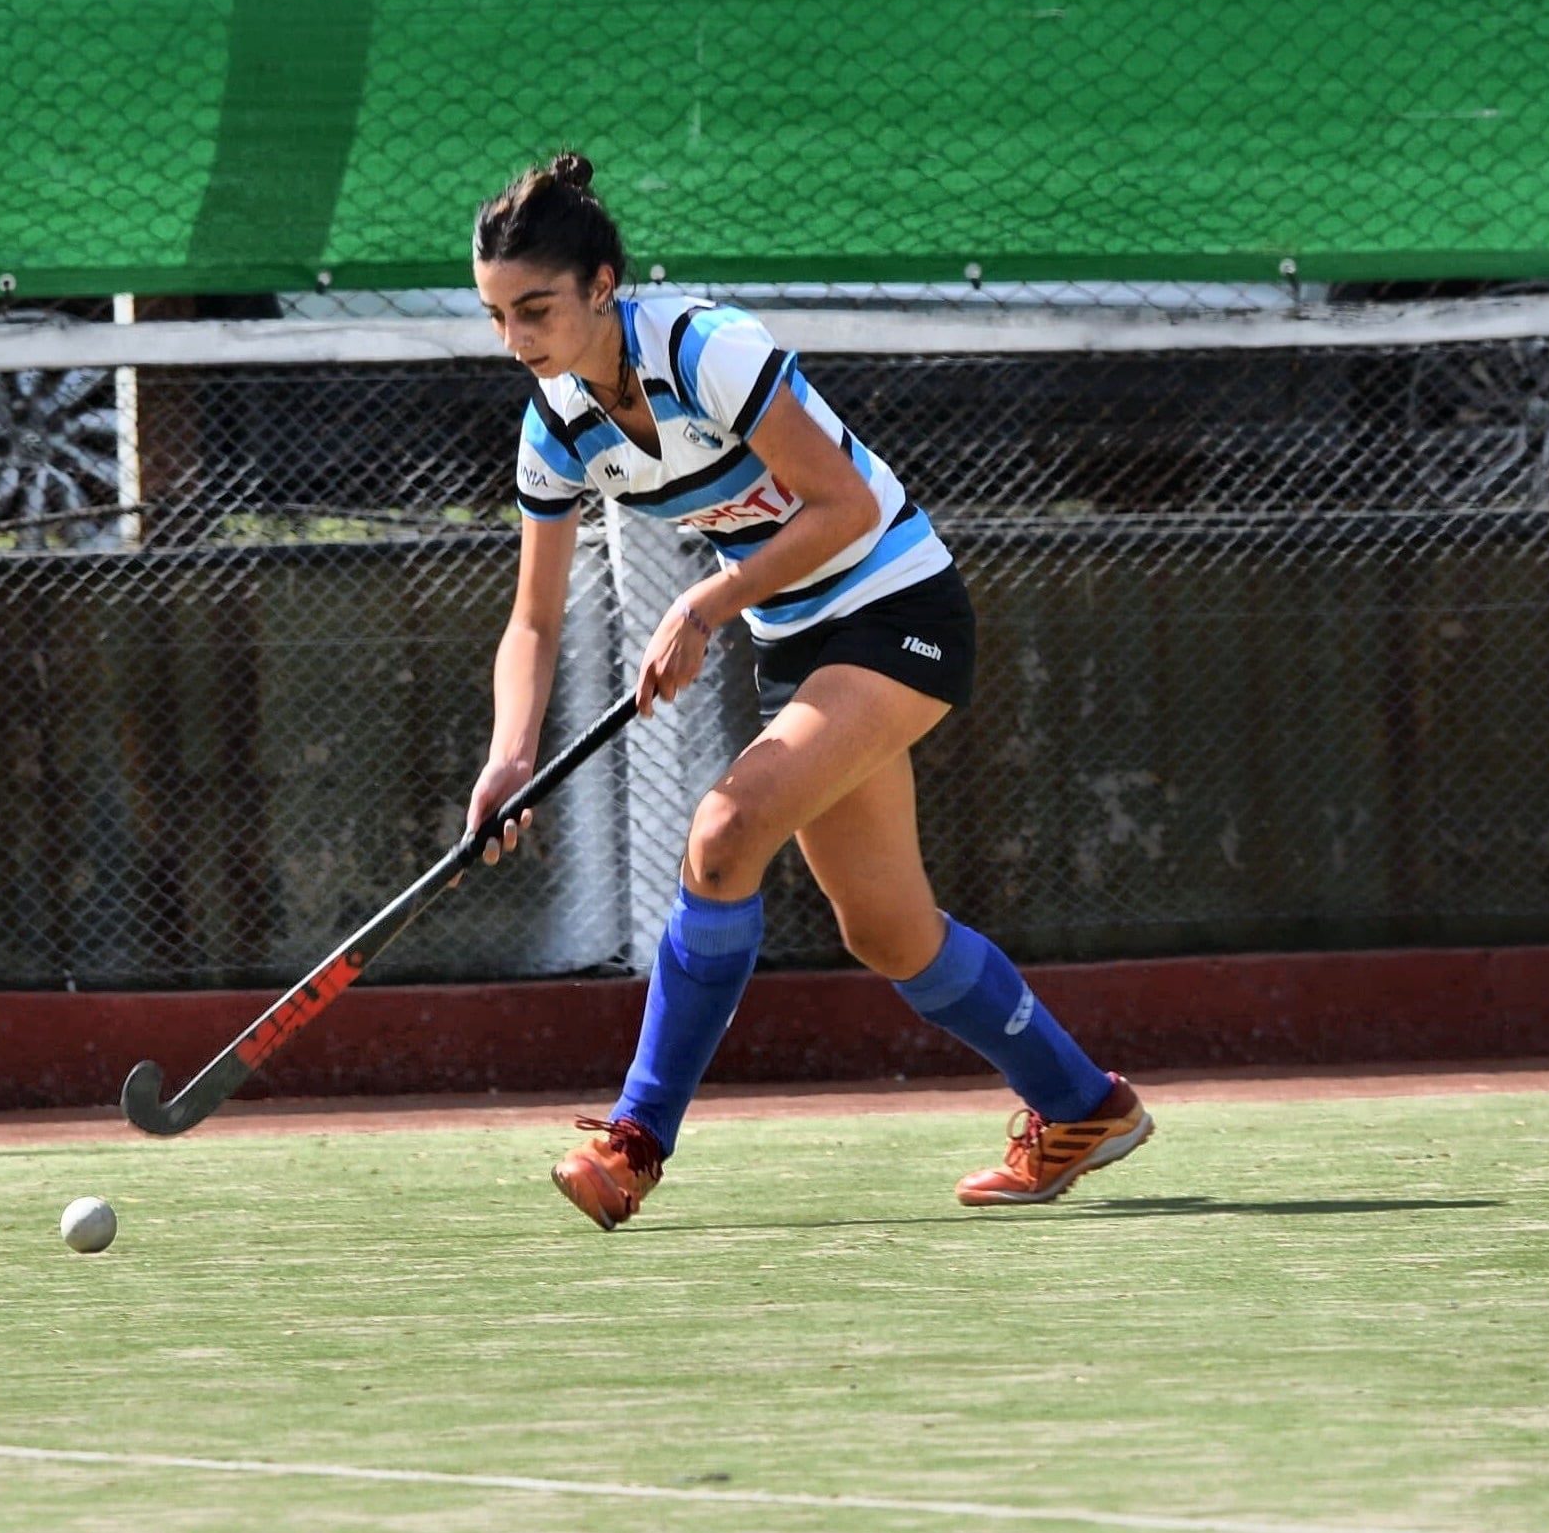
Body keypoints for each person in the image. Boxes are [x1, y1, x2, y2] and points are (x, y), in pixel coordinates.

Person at [464, 152, 1153, 1230]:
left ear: (603, 283)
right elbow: (534, 620)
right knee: (886, 930)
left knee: (724, 830)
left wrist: (705, 607)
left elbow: (842, 509)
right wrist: (508, 757)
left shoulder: (707, 348)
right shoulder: (555, 426)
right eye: (499, 317)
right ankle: (1083, 1106)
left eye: (536, 309)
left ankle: (637, 1139)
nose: (518, 342)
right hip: (802, 638)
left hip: (899, 606)